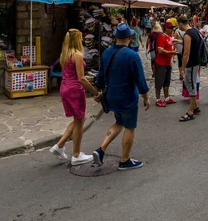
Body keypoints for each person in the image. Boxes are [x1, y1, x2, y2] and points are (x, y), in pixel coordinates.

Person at [92, 23, 150, 170]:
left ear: (116, 37)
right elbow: (140, 81)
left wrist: (98, 91)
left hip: (111, 95)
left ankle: (101, 149)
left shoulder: (106, 53)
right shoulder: (132, 56)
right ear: (129, 38)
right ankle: (125, 160)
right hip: (127, 96)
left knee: (119, 122)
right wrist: (146, 97)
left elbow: (101, 77)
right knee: (130, 127)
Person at [50, 29, 101, 165]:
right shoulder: (77, 55)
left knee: (80, 118)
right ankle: (76, 155)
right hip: (74, 90)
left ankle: (59, 145)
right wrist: (95, 92)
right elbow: (81, 78)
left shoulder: (64, 54)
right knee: (79, 122)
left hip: (65, 88)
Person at [178, 16, 201, 122]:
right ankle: (195, 106)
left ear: (181, 24)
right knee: (190, 84)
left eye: (179, 25)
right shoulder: (195, 31)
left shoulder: (187, 34)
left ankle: (190, 112)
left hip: (191, 64)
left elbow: (186, 53)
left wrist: (182, 68)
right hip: (196, 63)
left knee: (190, 85)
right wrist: (178, 41)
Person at [153, 22, 179, 108]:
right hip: (161, 63)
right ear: (166, 29)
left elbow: (168, 46)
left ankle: (167, 97)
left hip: (167, 63)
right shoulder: (161, 37)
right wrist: (171, 52)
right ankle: (158, 99)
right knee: (159, 81)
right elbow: (160, 50)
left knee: (167, 81)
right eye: (170, 28)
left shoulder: (168, 38)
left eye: (173, 28)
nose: (172, 30)